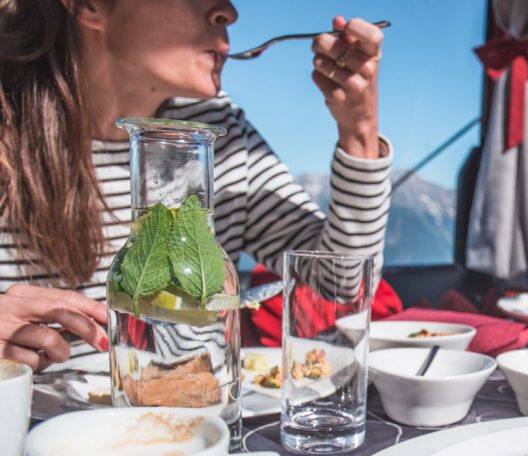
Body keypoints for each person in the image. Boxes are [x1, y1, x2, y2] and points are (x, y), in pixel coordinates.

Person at [0, 0, 391, 370]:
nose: (229, 12)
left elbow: (340, 283)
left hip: (202, 419)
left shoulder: (217, 132)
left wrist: (359, 131)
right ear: (89, 6)